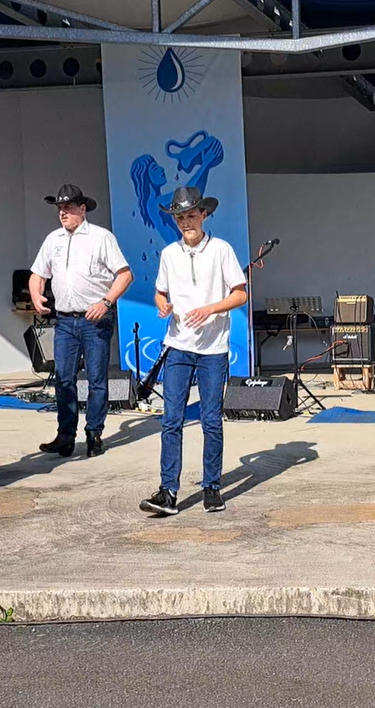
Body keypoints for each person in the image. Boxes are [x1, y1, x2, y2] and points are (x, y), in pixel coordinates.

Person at [139, 186, 247, 517]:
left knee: (211, 420)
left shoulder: (221, 250)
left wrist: (211, 309)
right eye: (180, 217)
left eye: (191, 215)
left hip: (213, 350)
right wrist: (162, 304)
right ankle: (168, 491)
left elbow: (240, 293)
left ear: (204, 215)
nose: (186, 222)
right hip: (178, 347)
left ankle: (211, 487)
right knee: (171, 419)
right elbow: (160, 292)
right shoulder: (169, 254)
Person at [29, 184, 133, 458]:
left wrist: (106, 302)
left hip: (94, 319)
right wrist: (36, 294)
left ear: (82, 209)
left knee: (96, 378)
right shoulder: (53, 239)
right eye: (59, 208)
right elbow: (38, 273)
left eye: (68, 208)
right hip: (65, 320)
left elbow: (124, 275)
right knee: (63, 379)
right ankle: (65, 435)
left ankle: (94, 432)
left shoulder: (101, 237)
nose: (62, 213)